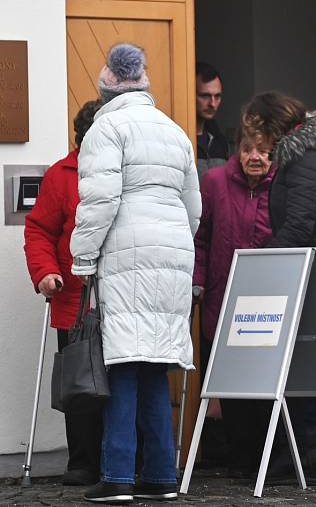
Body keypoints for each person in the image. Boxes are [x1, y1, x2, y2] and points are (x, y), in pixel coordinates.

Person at [70, 43, 201, 503]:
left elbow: (100, 202)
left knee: (122, 365)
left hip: (126, 258)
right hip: (172, 257)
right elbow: (194, 210)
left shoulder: (105, 129)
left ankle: (118, 475)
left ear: (107, 85)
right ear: (144, 83)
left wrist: (83, 259)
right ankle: (162, 475)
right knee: (154, 366)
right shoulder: (175, 131)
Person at [242, 91, 316, 486]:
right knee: (306, 365)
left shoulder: (305, 161)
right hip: (314, 271)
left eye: (257, 129)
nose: (256, 139)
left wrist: (258, 263)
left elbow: (298, 227)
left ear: (272, 125)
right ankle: (311, 452)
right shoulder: (303, 157)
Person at [23, 99, 103, 487]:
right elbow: (39, 230)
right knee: (80, 382)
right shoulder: (62, 174)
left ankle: (125, 459)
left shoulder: (127, 169)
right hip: (73, 297)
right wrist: (46, 272)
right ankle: (83, 461)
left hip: (121, 295)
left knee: (121, 380)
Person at [193, 127, 278, 478]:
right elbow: (200, 239)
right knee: (231, 382)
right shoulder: (214, 182)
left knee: (265, 380)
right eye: (247, 149)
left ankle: (268, 460)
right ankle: (240, 460)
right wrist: (197, 282)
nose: (254, 157)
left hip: (269, 299)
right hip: (222, 296)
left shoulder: (283, 185)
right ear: (237, 152)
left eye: (262, 150)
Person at [196, 61, 228, 180]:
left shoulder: (220, 141)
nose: (212, 104)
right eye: (205, 96)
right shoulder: (179, 139)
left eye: (217, 96)